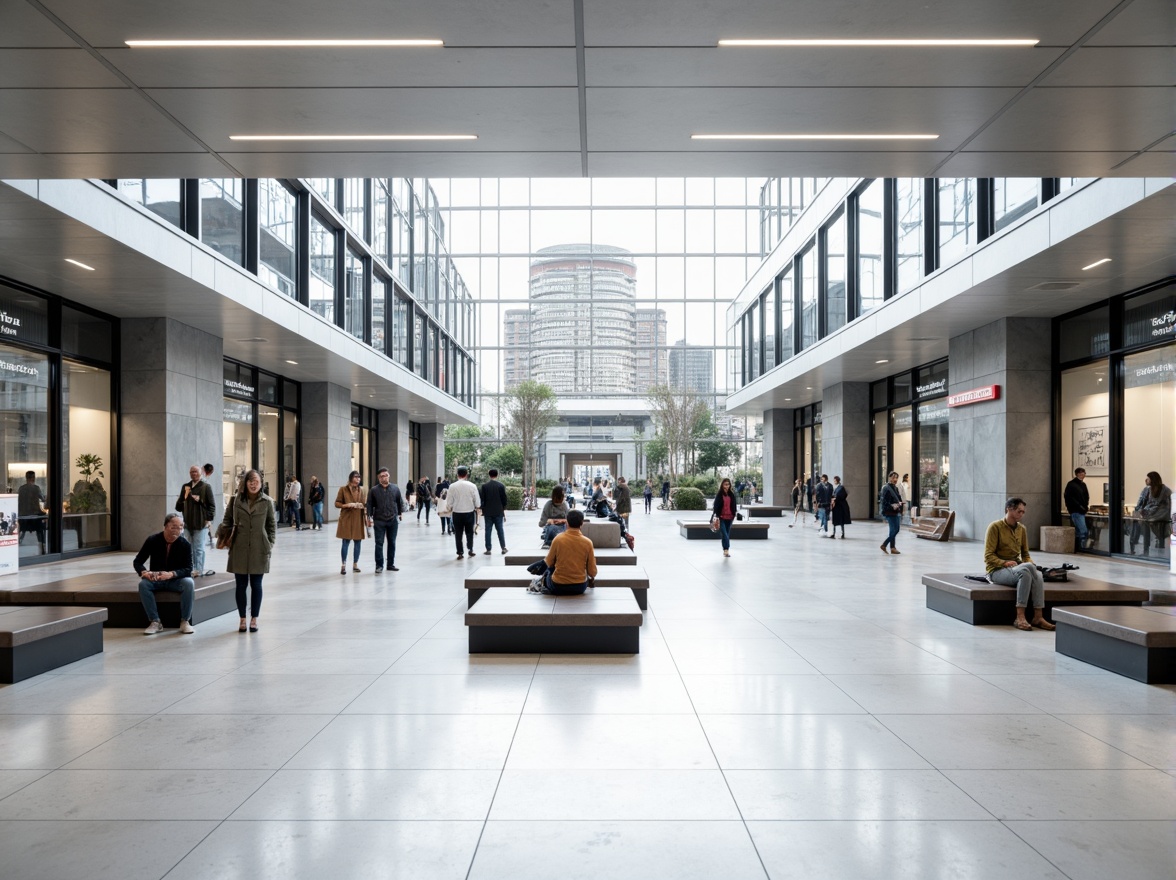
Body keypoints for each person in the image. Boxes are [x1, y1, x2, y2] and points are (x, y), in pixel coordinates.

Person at [985, 497, 1053, 632]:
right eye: (1019, 511)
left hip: (1017, 567)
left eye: (1023, 512)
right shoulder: (995, 527)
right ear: (1009, 509)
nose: (1021, 515)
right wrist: (1004, 562)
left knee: (1035, 573)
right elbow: (988, 556)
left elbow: (1025, 554)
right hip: (997, 571)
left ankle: (1038, 617)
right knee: (1026, 571)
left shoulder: (1022, 529)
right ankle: (1020, 617)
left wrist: (1031, 564)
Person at [220, 468, 276, 633]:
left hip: (260, 548)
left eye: (256, 481)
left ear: (261, 483)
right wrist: (226, 535)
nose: (253, 484)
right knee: (240, 585)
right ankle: (242, 618)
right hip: (240, 547)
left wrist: (269, 543)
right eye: (250, 481)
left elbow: (271, 525)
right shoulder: (236, 500)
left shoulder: (267, 502)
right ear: (245, 483)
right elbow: (227, 520)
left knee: (257, 585)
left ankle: (254, 619)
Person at [134, 512, 195, 635]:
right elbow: (138, 561)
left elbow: (188, 569)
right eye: (174, 526)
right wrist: (144, 572)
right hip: (156, 579)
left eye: (181, 527)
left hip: (175, 580)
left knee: (189, 583)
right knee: (143, 585)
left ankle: (185, 621)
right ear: (165, 526)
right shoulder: (152, 540)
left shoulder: (185, 544)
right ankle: (155, 621)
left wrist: (172, 574)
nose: (177, 530)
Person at [537, 509, 597, 595]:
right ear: (582, 523)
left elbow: (549, 562)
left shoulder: (558, 539)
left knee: (548, 572)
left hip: (558, 586)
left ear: (567, 522)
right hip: (579, 587)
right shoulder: (588, 542)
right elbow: (592, 572)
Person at [176, 464, 216, 577]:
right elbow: (178, 506)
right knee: (188, 549)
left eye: (196, 471)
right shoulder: (186, 487)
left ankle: (198, 571)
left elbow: (212, 505)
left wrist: (208, 519)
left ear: (200, 473)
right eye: (191, 472)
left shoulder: (205, 487)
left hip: (201, 523)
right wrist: (183, 498)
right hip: (187, 523)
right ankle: (189, 569)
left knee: (198, 549)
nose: (194, 474)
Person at [367, 467, 405, 573]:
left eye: (386, 475)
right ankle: (379, 565)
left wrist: (400, 514)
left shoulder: (395, 488)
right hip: (379, 520)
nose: (384, 478)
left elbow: (399, 502)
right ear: (379, 478)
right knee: (379, 543)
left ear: (389, 476)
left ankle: (390, 564)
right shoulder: (373, 490)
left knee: (392, 542)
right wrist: (368, 518)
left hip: (393, 520)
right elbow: (369, 504)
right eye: (382, 476)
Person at [1131, 471, 1172, 557]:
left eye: (1148, 478)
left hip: (1159, 515)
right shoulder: (1147, 489)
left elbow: (1167, 506)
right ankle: (1133, 545)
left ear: (1152, 480)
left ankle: (1139, 546)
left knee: (1143, 522)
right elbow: (1140, 503)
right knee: (1135, 520)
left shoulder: (1165, 490)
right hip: (1147, 513)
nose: (1146, 480)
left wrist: (1143, 511)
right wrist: (1138, 512)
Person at [335, 470, 368, 574]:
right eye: (356, 477)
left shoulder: (361, 490)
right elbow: (337, 503)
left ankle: (355, 564)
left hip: (358, 518)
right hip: (347, 518)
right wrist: (346, 505)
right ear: (350, 478)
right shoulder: (343, 489)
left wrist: (361, 505)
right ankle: (343, 565)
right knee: (345, 541)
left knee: (358, 541)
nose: (358, 479)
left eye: (359, 477)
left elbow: (364, 503)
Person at [447, 466, 481, 559]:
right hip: (469, 512)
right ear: (466, 474)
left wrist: (449, 507)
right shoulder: (472, 486)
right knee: (470, 532)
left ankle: (460, 552)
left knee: (458, 533)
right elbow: (477, 500)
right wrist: (477, 507)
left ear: (457, 475)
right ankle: (470, 549)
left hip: (457, 513)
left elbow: (449, 501)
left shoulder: (452, 486)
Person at [480, 468, 509, 554]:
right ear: (497, 475)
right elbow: (504, 499)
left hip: (488, 512)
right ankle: (503, 547)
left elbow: (483, 499)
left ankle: (488, 549)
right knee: (500, 529)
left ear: (489, 475)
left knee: (488, 530)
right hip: (498, 511)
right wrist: (503, 508)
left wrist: (483, 509)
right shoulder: (501, 486)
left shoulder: (484, 486)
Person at [17, 471, 46, 553]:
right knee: (42, 523)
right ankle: (42, 544)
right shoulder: (36, 488)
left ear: (26, 478)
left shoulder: (21, 489)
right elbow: (43, 499)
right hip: (34, 519)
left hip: (23, 519)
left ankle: (19, 542)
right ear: (33, 478)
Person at [1064, 467, 1090, 552]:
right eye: (1082, 473)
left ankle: (1077, 548)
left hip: (1081, 510)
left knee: (1079, 531)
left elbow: (1086, 496)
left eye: (1084, 473)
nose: (1084, 475)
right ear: (1078, 474)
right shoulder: (1071, 484)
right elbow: (1069, 498)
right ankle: (1081, 548)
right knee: (1083, 531)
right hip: (1076, 511)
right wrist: (1079, 506)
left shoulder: (1083, 484)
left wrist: (1085, 506)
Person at [711, 477, 739, 557]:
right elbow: (716, 505)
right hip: (721, 517)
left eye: (728, 484)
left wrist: (734, 514)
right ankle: (726, 548)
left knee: (726, 533)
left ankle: (725, 550)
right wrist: (717, 514)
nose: (727, 486)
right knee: (725, 534)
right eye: (725, 484)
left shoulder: (731, 494)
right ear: (722, 485)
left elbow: (734, 505)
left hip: (730, 517)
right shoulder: (719, 494)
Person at [879, 471, 903, 555]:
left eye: (896, 478)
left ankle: (892, 547)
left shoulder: (895, 488)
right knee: (895, 530)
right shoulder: (886, 488)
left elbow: (898, 499)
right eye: (893, 477)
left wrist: (899, 503)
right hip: (889, 511)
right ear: (889, 478)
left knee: (893, 530)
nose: (895, 479)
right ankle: (884, 544)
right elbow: (884, 501)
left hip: (895, 511)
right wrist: (892, 505)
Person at [203, 463, 217, 548]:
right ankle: (211, 537)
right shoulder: (205, 483)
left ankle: (211, 537)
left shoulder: (205, 482)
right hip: (204, 512)